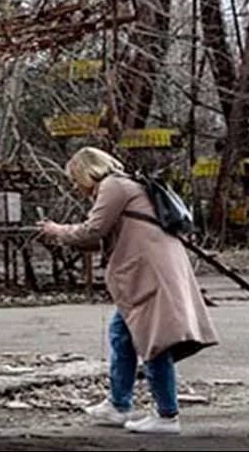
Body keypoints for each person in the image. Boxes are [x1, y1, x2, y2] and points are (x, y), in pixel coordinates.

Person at [39, 147, 219, 435]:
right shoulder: (126, 185)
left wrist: (58, 230)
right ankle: (118, 405)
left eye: (76, 179)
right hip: (150, 272)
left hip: (149, 275)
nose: (76, 186)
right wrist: (64, 236)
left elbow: (93, 230)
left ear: (88, 171)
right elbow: (102, 236)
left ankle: (167, 416)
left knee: (155, 342)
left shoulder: (113, 185)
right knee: (122, 335)